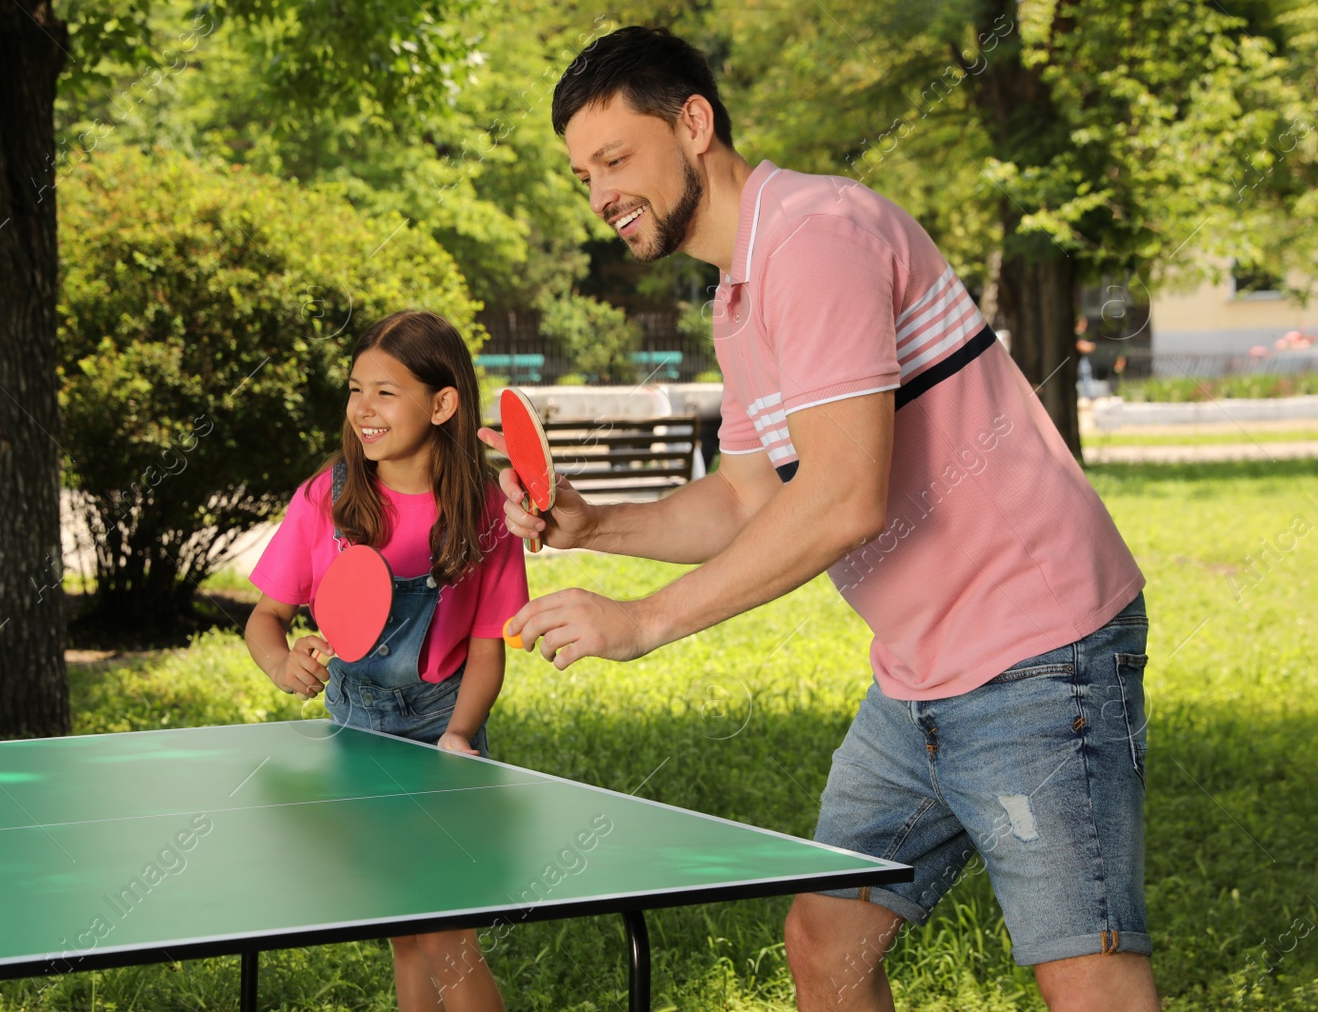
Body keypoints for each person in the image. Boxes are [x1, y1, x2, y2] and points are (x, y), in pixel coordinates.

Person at [485, 26, 1156, 1012]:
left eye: (616, 158)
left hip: (1034, 651)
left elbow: (844, 497)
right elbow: (749, 496)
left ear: (695, 123)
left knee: (1087, 981)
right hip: (921, 670)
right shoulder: (739, 297)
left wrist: (644, 621)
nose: (599, 194)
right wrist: (595, 526)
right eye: (582, 174)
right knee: (825, 939)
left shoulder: (815, 237)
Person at [246, 310, 524, 1012]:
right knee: (404, 929)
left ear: (441, 403)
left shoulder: (484, 509)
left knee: (445, 936)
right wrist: (283, 665)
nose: (362, 409)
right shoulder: (329, 495)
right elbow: (266, 620)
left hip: (441, 731)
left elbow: (487, 653)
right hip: (352, 734)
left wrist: (460, 735)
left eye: (385, 392)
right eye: (354, 389)